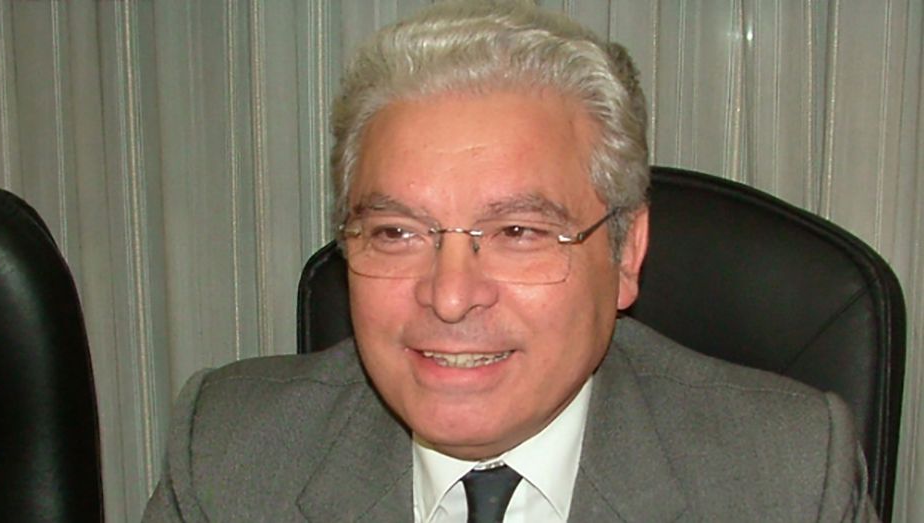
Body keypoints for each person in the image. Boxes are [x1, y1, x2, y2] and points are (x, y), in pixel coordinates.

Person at [143, 1, 877, 521]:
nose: (450, 296)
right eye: (396, 232)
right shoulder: (228, 455)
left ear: (626, 253)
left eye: (518, 231)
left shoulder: (785, 477)